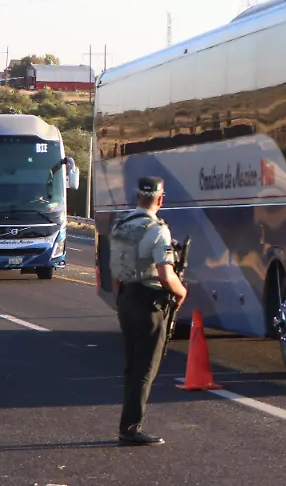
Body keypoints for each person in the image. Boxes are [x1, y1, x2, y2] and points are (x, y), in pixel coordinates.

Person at [109, 175, 188, 446]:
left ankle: (128, 424)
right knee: (146, 367)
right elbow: (166, 274)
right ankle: (131, 427)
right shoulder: (157, 229)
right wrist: (181, 292)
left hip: (126, 298)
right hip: (148, 301)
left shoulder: (121, 224)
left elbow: (116, 271)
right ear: (160, 199)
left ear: (137, 198)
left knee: (133, 364)